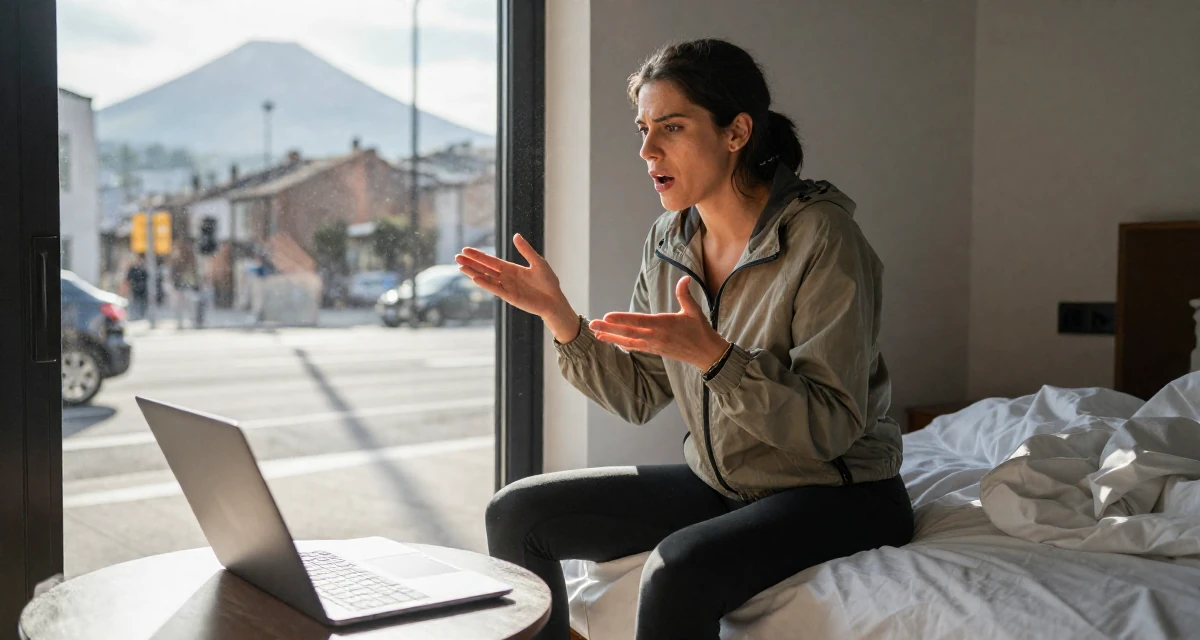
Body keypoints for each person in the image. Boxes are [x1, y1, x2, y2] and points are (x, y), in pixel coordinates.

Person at [457, 39, 912, 639]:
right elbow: (640, 396)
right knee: (517, 512)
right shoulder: (670, 238)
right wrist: (560, 316)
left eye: (670, 127)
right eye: (643, 129)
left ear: (736, 132)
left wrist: (716, 359)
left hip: (840, 491)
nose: (647, 150)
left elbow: (828, 429)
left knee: (678, 569)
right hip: (722, 480)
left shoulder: (823, 237)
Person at [124, 256, 148, 320]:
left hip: (142, 289)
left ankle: (140, 315)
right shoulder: (133, 269)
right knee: (135, 302)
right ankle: (136, 315)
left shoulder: (142, 269)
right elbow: (128, 278)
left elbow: (147, 277)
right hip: (135, 289)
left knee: (141, 302)